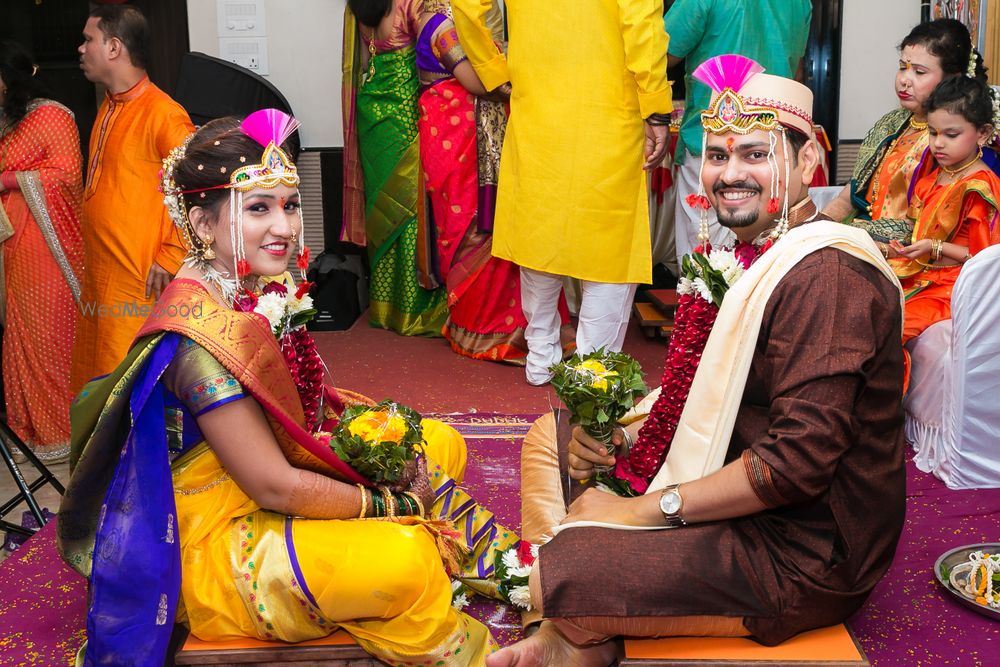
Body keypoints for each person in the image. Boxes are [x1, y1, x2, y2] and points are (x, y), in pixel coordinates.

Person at [58, 110, 517, 666]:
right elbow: (273, 485)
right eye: (258, 208)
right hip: (209, 534)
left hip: (257, 481)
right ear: (202, 225)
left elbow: (298, 408)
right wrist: (386, 503)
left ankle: (500, 566)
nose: (285, 226)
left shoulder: (251, 285)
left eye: (290, 204)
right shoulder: (200, 335)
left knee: (436, 443)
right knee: (406, 560)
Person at [499, 58, 905, 666]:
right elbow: (705, 393)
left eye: (753, 153)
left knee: (564, 569)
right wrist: (617, 435)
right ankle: (586, 611)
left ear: (809, 164)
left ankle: (576, 619)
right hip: (728, 475)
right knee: (549, 440)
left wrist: (637, 509)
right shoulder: (752, 254)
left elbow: (794, 467)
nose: (729, 174)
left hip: (799, 549)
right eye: (717, 156)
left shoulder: (828, 276)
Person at [452, 0, 672, 386]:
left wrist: (492, 67)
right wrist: (654, 106)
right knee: (610, 245)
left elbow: (468, 6)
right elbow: (641, 24)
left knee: (540, 233)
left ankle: (541, 356)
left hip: (538, 105)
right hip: (608, 111)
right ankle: (593, 375)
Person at [414, 0, 574, 363]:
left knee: (503, 227)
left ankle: (523, 327)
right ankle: (485, 332)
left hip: (480, 136)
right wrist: (538, 87)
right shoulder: (440, 23)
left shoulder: (466, 19)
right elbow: (482, 81)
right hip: (458, 141)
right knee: (472, 229)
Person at [69, 5, 194, 392]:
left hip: (139, 280)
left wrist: (171, 254)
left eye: (88, 39)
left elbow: (195, 189)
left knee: (130, 386)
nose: (80, 48)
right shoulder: (108, 106)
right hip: (103, 279)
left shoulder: (164, 114)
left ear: (113, 48)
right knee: (102, 383)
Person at [665, 0, 812, 268]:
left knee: (703, 259)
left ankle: (708, 309)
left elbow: (661, 53)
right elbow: (796, 69)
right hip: (772, 146)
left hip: (715, 138)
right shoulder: (800, 3)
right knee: (766, 249)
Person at [342, 0, 450, 336]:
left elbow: (358, 64)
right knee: (410, 208)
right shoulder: (410, 3)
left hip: (371, 114)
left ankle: (386, 308)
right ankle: (414, 308)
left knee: (382, 207)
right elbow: (435, 51)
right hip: (405, 114)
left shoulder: (356, 7)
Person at [0, 40, 84, 463]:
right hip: (10, 243)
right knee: (19, 334)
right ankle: (28, 431)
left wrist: (9, 180)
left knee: (46, 333)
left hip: (44, 240)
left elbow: (67, 176)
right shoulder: (7, 122)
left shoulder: (52, 115)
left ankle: (61, 432)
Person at [822, 19, 986, 225]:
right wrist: (818, 225)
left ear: (952, 78)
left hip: (903, 249)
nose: (904, 80)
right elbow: (848, 197)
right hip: (860, 233)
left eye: (919, 72)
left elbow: (930, 226)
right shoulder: (892, 123)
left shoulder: (950, 141)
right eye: (902, 67)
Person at [887, 75, 1000, 348]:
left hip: (953, 288)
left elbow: (985, 262)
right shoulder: (936, 176)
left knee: (889, 328)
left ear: (983, 133)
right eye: (933, 132)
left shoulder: (979, 187)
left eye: (951, 135)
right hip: (919, 273)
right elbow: (916, 230)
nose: (938, 143)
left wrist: (934, 247)